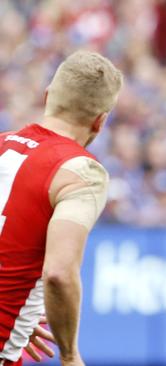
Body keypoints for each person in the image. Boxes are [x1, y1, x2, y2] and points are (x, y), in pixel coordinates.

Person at [0, 50, 122, 366]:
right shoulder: (79, 171)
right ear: (101, 121)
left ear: (47, 96)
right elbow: (59, 273)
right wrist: (69, 355)